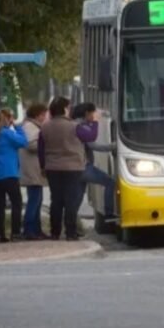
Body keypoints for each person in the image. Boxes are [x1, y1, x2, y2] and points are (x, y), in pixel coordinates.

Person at [38, 96, 97, 241]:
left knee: (56, 200)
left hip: (52, 168)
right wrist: (94, 122)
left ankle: (55, 232)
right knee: (71, 200)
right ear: (65, 109)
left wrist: (43, 166)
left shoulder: (45, 127)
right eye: (69, 107)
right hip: (73, 168)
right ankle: (70, 232)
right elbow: (90, 136)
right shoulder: (73, 126)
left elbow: (41, 149)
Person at [0, 108, 27, 243]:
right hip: (9, 174)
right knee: (16, 203)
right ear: (8, 119)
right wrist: (17, 127)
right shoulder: (6, 134)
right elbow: (23, 142)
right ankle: (15, 232)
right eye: (10, 119)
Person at [71, 102, 116, 219]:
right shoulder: (82, 126)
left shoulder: (74, 124)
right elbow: (93, 145)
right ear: (86, 113)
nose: (94, 115)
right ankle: (109, 213)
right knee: (110, 182)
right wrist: (113, 146)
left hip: (75, 168)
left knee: (78, 197)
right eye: (92, 113)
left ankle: (70, 225)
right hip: (84, 168)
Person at [19, 102, 50, 240]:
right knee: (34, 200)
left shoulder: (34, 126)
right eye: (43, 114)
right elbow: (31, 145)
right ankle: (29, 229)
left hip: (35, 168)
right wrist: (45, 144)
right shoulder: (30, 127)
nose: (45, 117)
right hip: (32, 168)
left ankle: (37, 230)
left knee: (38, 200)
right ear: (37, 115)